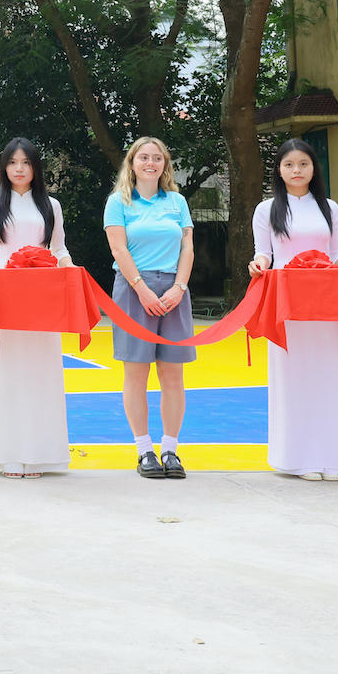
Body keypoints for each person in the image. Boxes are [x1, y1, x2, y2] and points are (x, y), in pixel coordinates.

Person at [250, 139, 338, 480]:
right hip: (287, 301)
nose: (296, 170)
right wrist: (257, 265)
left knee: (330, 374)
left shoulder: (329, 207)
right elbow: (264, 253)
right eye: (289, 165)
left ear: (314, 168)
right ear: (279, 170)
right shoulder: (267, 209)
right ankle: (298, 460)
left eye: (303, 164)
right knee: (293, 375)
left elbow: (336, 253)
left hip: (326, 302)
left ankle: (334, 459)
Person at [0, 138, 73, 478]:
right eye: (13, 162)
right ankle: (8, 454)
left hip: (42, 296)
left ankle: (39, 455)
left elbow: (59, 249)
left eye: (26, 162)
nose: (19, 168)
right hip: (5, 295)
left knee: (42, 370)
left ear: (36, 167)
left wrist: (71, 270)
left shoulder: (51, 206)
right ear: (4, 167)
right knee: (8, 372)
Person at [104, 136, 196, 480]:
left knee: (173, 374)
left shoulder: (177, 201)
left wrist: (179, 287)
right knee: (137, 372)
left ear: (164, 164)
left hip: (174, 291)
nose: (150, 163)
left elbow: (187, 248)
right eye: (143, 157)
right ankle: (144, 450)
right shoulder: (118, 202)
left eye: (157, 158)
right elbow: (118, 249)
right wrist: (141, 289)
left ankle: (170, 449)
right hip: (133, 290)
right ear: (132, 163)